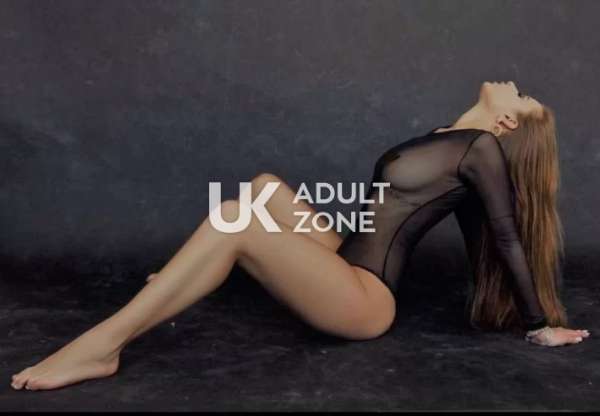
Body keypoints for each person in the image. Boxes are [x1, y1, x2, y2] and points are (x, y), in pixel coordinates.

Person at [10, 80, 590, 391]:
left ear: (506, 122)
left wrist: (538, 323)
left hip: (365, 298)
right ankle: (182, 277)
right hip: (348, 256)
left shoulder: (481, 149)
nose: (516, 84)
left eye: (523, 97)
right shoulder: (450, 137)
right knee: (263, 189)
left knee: (232, 220)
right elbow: (465, 228)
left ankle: (103, 347)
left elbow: (504, 237)